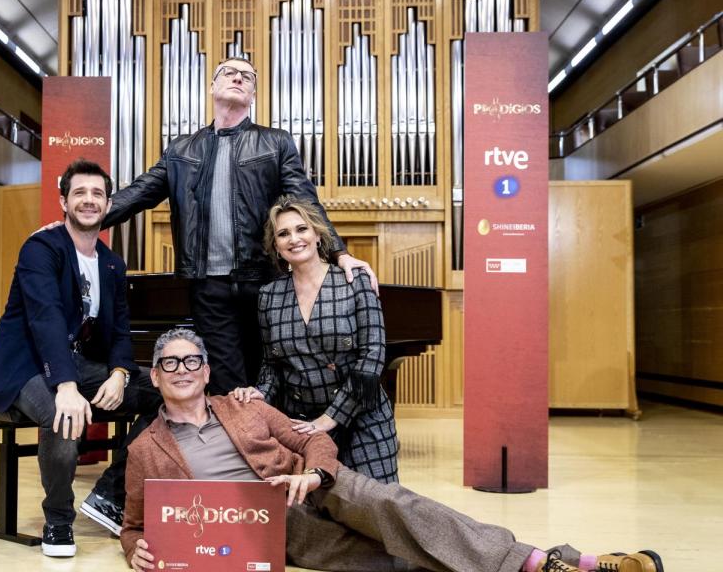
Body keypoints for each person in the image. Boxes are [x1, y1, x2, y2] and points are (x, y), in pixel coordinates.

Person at [121, 328, 664, 572]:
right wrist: (134, 550)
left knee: (394, 507)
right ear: (156, 374)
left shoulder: (247, 406)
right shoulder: (146, 448)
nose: (183, 371)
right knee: (397, 558)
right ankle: (567, 564)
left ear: (207, 369)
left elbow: (313, 438)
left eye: (192, 361)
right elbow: (135, 524)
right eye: (170, 363)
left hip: (316, 490)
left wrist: (314, 476)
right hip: (269, 526)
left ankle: (542, 567)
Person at [100, 56, 378, 396]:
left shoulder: (275, 142)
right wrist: (79, 221)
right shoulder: (181, 150)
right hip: (208, 287)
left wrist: (339, 252)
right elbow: (137, 194)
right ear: (213, 86)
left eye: (247, 76)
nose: (238, 78)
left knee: (273, 376)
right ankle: (241, 448)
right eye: (229, 73)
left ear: (253, 94)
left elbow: (305, 202)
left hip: (265, 281)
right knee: (228, 386)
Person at [0, 159, 160, 557]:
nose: (89, 201)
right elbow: (46, 319)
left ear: (109, 204)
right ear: (63, 200)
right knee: (65, 413)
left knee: (167, 393)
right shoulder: (41, 248)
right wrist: (68, 386)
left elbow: (121, 329)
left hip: (75, 364)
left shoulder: (111, 263)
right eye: (80, 193)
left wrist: (121, 373)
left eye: (97, 194)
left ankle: (109, 493)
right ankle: (58, 521)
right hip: (22, 366)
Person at [232, 196, 399, 483]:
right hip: (303, 424)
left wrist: (329, 418)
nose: (294, 239)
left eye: (302, 229)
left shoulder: (354, 280)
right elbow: (273, 365)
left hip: (363, 419)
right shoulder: (269, 295)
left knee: (376, 511)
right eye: (284, 234)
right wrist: (261, 392)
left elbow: (372, 357)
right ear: (276, 247)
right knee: (318, 519)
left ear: (318, 235)